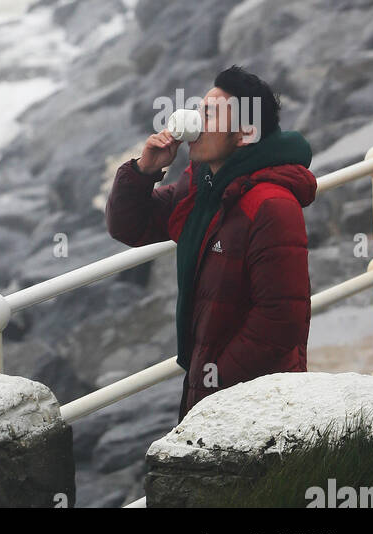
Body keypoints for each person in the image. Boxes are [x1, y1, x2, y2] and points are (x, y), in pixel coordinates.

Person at [104, 65, 316, 423]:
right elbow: (130, 227)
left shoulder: (271, 205)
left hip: (255, 402)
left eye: (210, 114)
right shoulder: (203, 187)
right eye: (199, 110)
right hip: (211, 386)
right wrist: (144, 170)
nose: (197, 122)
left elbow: (281, 320)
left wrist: (215, 381)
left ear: (246, 133)